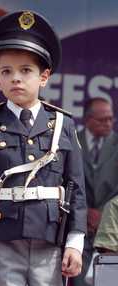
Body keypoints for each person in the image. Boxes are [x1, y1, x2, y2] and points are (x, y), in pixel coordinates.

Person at [0, 10, 87, 286]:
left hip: (49, 238)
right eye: (6, 71)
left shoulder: (62, 124)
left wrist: (75, 243)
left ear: (44, 77)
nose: (16, 78)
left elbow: (76, 188)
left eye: (26, 70)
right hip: (4, 239)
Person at [72, 97, 118, 286]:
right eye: (102, 119)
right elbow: (66, 180)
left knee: (106, 280)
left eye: (111, 119)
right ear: (88, 120)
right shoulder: (72, 141)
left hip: (111, 230)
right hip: (77, 227)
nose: (108, 123)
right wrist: (85, 211)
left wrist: (106, 213)